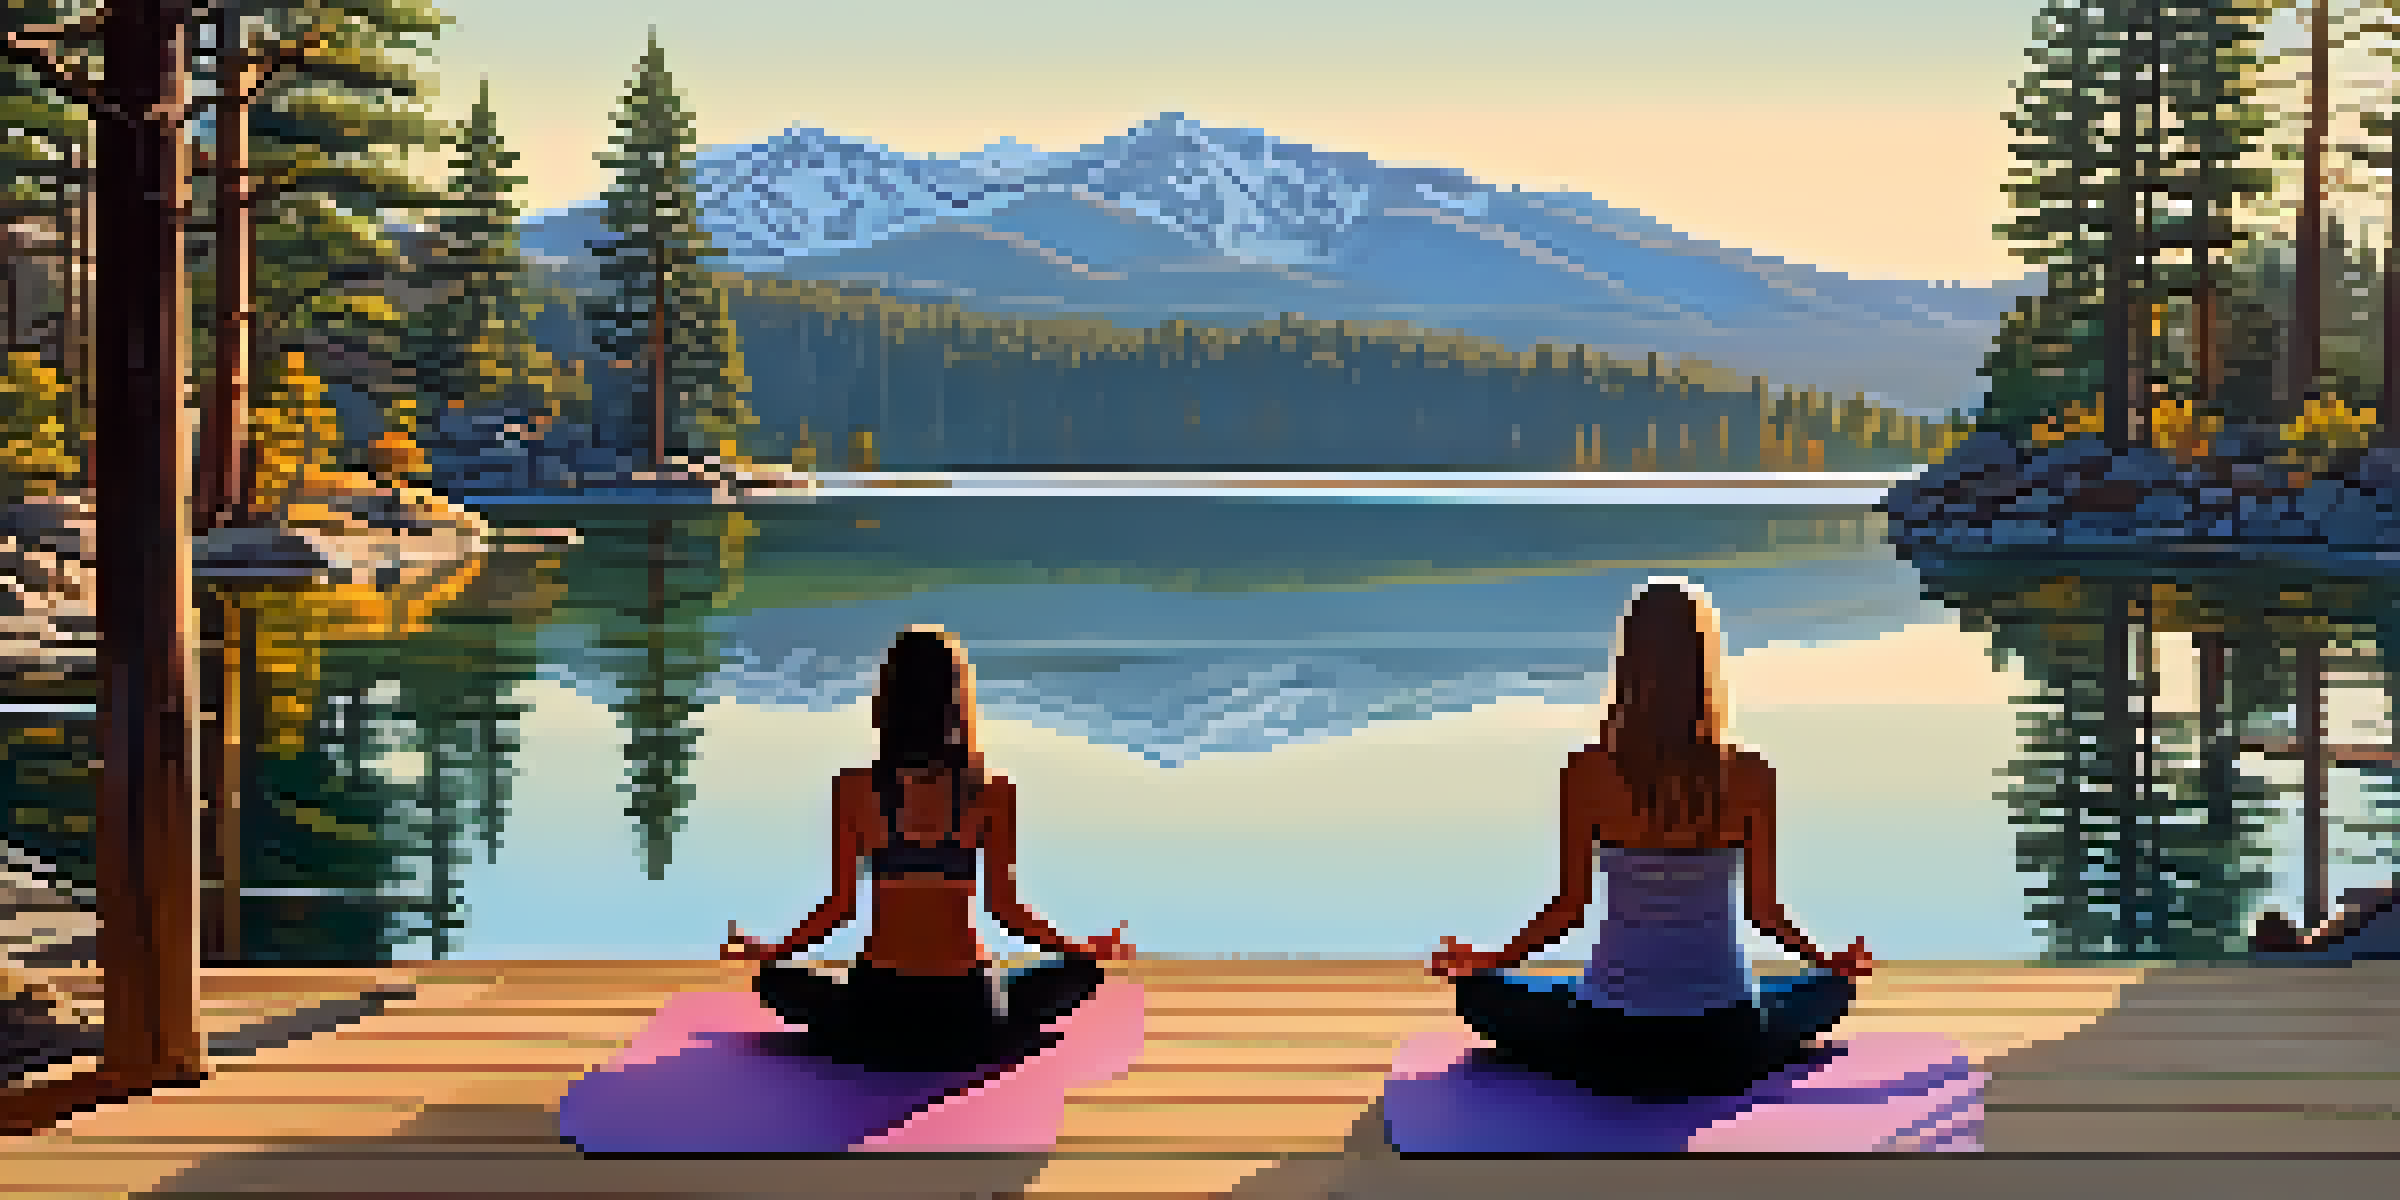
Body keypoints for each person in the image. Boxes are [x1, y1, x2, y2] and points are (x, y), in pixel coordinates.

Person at [1428, 578, 1873, 1099]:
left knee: (1481, 996)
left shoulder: (1588, 771)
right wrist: (1827, 963)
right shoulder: (1751, 774)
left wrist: (1490, 962)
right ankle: (1814, 990)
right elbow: (1764, 911)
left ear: (1630, 665)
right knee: (1829, 992)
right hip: (1726, 1042)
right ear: (1706, 664)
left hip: (1608, 1041)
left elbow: (1570, 908)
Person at [721, 625, 1133, 1071]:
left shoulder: (855, 789)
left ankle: (860, 1034)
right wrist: (1079, 948)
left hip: (878, 1006)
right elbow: (1005, 909)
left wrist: (772, 953)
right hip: (966, 1008)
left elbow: (839, 908)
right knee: (1080, 975)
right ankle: (993, 1035)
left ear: (887, 703)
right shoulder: (990, 791)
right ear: (958, 703)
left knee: (774, 982)